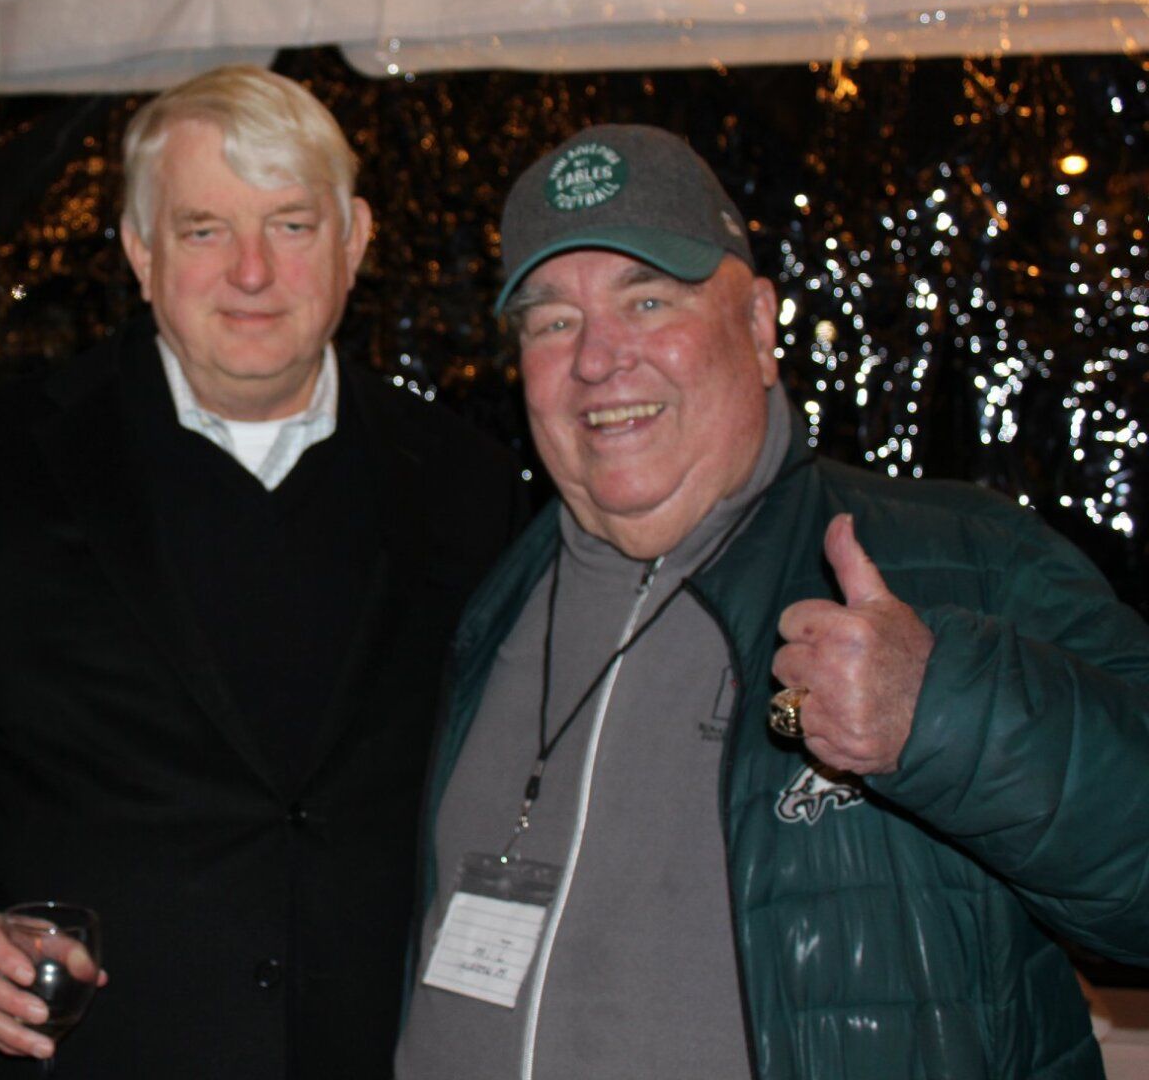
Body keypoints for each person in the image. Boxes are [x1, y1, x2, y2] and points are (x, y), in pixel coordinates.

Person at [394, 123, 1149, 1079]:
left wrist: (948, 712)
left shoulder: (962, 561)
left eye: (649, 299)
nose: (596, 360)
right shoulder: (486, 606)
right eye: (552, 321)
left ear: (757, 326)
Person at [0, 64, 522, 1078]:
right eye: (205, 228)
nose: (252, 271)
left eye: (291, 225)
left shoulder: (469, 486)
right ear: (139, 250)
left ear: (356, 241)